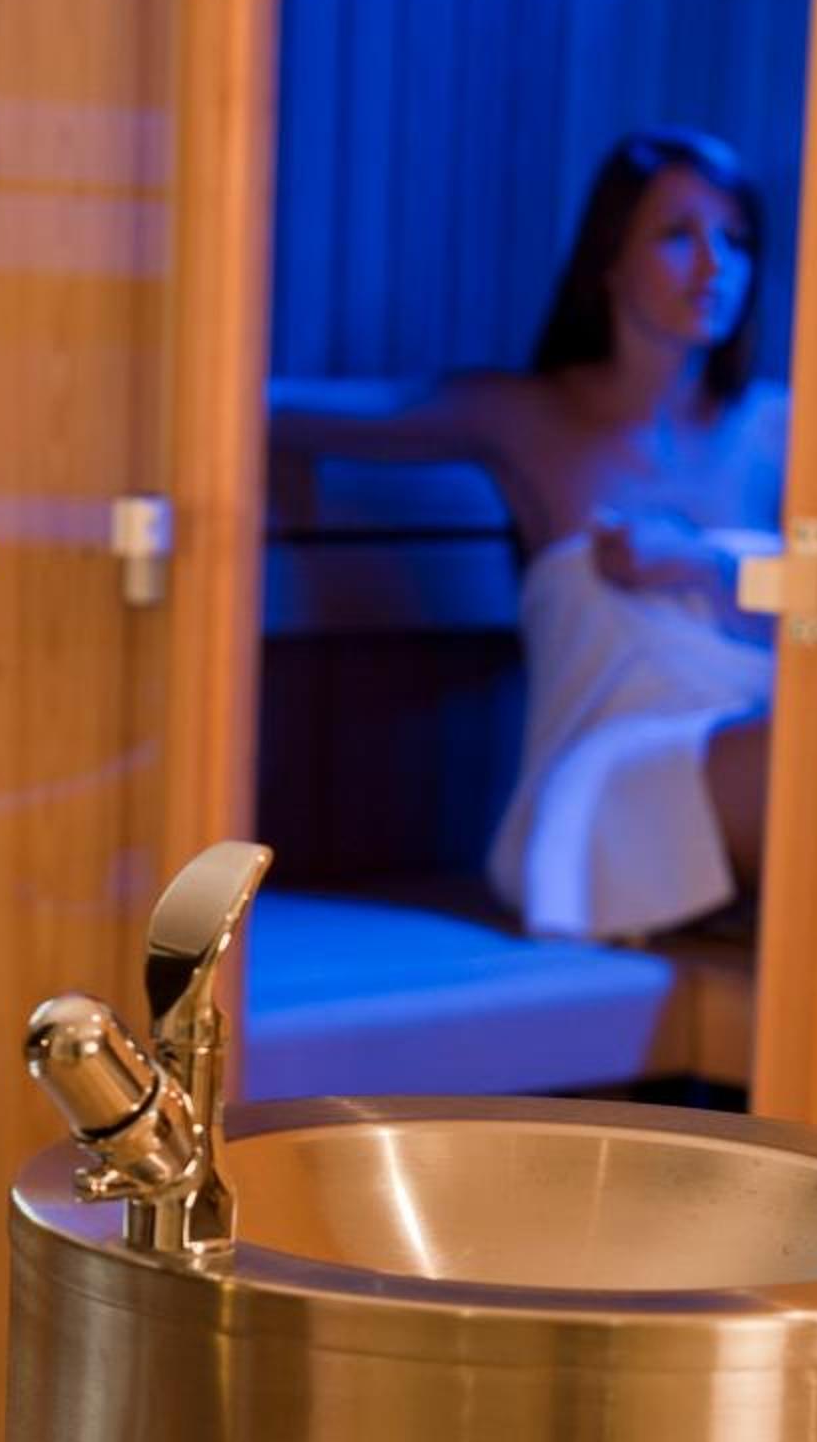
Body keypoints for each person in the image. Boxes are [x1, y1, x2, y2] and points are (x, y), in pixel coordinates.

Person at [268, 126, 787, 940]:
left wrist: (702, 568)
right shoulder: (529, 421)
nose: (714, 266)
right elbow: (279, 409)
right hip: (618, 778)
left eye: (736, 240)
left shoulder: (779, 432)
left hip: (759, 731)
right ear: (609, 260)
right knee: (814, 764)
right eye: (678, 236)